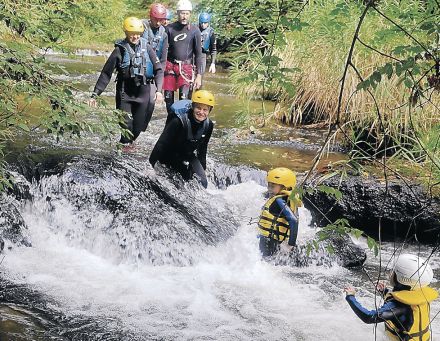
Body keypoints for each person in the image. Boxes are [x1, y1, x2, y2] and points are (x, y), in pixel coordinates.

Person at [88, 17, 164, 149]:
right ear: (126, 33)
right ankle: (123, 153)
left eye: (138, 34)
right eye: (132, 34)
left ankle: (128, 149)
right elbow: (106, 74)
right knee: (126, 130)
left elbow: (159, 70)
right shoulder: (119, 50)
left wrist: (158, 91)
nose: (135, 37)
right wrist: (95, 95)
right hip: (125, 95)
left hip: (143, 94)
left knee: (137, 129)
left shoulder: (147, 47)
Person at [345, 253, 438, 341]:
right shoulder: (419, 294)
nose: (390, 273)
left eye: (393, 272)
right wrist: (384, 292)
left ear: (401, 278)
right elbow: (403, 307)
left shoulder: (398, 306)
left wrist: (350, 297)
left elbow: (369, 317)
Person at [149, 90, 215, 188]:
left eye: (205, 110)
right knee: (179, 182)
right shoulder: (178, 121)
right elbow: (161, 143)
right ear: (193, 107)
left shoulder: (208, 125)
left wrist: (203, 168)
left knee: (203, 183)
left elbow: (203, 148)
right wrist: (151, 166)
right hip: (168, 154)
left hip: (187, 154)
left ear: (209, 111)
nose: (201, 112)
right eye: (198, 108)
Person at [163, 0, 203, 119]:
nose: (184, 16)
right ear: (177, 13)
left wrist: (199, 75)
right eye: (182, 13)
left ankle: (184, 125)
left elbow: (199, 54)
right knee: (168, 98)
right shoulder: (169, 29)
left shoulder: (195, 30)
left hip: (186, 69)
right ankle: (171, 123)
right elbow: (162, 50)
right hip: (170, 66)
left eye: (186, 13)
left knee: (184, 99)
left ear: (190, 14)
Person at [257, 167, 301, 257]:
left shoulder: (280, 201)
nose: (269, 189)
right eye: (269, 185)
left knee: (264, 260)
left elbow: (293, 220)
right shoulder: (289, 200)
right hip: (274, 239)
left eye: (273, 186)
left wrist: (291, 244)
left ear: (285, 187)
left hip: (269, 240)